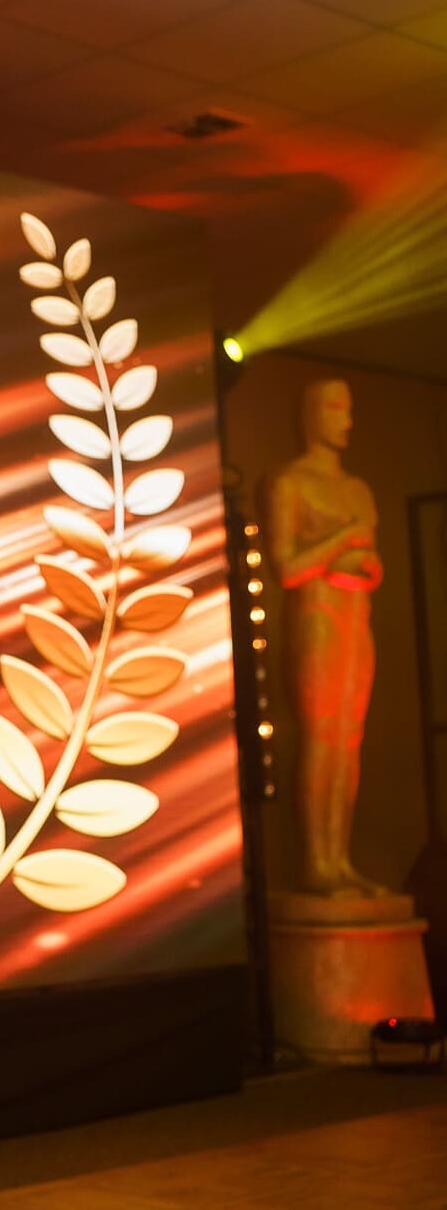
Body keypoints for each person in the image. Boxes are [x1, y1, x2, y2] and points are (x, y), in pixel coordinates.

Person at [268, 377, 388, 897]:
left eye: (349, 409)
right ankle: (317, 862)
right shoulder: (290, 483)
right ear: (312, 413)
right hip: (318, 617)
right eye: (337, 408)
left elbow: (371, 564)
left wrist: (354, 556)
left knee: (349, 741)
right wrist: (343, 539)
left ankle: (341, 859)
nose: (347, 420)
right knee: (320, 738)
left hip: (356, 617)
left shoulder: (358, 490)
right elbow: (288, 567)